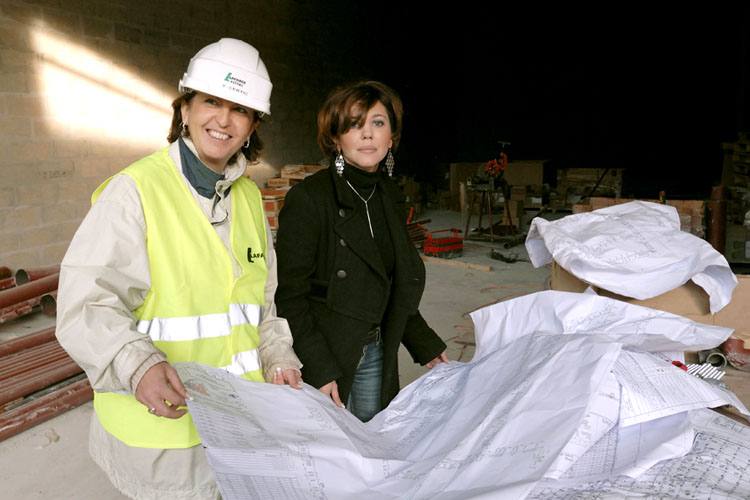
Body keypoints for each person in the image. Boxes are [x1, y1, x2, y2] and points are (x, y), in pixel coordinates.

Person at [56, 38, 302, 500]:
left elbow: (261, 304)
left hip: (238, 429)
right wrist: (135, 363)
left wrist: (277, 357)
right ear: (184, 108)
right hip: (161, 440)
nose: (224, 120)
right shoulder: (134, 192)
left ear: (252, 126)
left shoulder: (249, 198)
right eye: (211, 101)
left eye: (240, 109)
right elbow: (86, 304)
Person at [274, 81, 448, 422]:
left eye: (378, 123)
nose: (367, 134)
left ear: (392, 137)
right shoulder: (310, 199)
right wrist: (319, 367)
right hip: (327, 349)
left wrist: (424, 342)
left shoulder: (389, 196)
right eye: (354, 124)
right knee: (330, 455)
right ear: (336, 137)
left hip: (376, 347)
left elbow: (390, 282)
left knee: (369, 444)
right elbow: (289, 296)